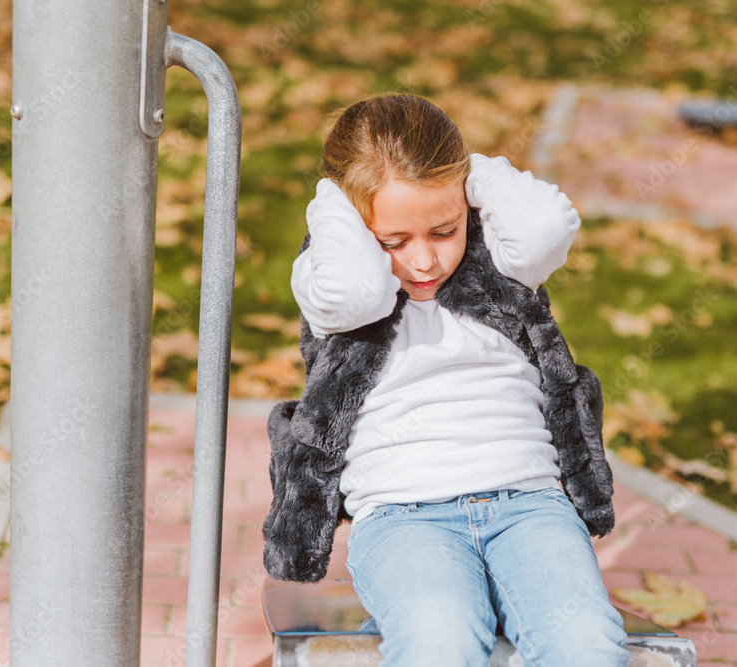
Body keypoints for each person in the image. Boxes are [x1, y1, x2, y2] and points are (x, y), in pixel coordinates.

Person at [263, 93, 628, 666]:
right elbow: (356, 288)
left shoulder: (502, 265)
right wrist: (337, 196)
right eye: (395, 242)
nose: (426, 262)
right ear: (355, 227)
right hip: (405, 520)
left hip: (530, 507)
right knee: (442, 639)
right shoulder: (336, 284)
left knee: (584, 641)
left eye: (443, 231)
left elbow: (546, 225)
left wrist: (470, 172)